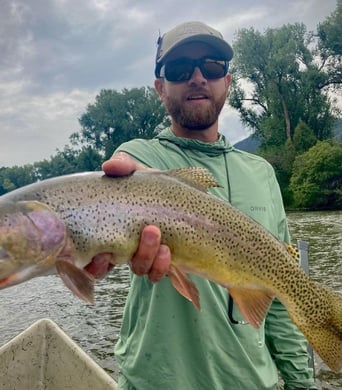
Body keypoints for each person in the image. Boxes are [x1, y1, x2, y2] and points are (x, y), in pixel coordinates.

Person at [101, 21, 317, 390]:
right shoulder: (141, 155)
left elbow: (281, 298)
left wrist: (303, 384)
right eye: (180, 70)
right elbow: (121, 169)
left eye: (212, 67)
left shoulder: (262, 173)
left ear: (227, 81)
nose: (198, 77)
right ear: (160, 88)